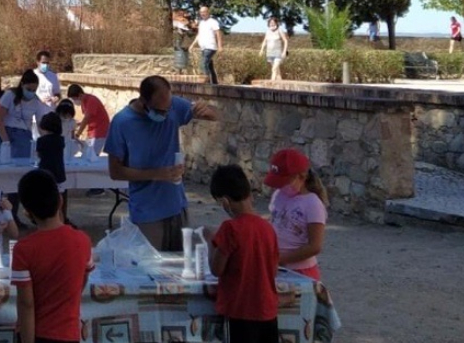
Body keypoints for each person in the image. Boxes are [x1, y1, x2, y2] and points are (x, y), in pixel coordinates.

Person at [105, 75, 219, 252]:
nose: (166, 115)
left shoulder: (174, 106)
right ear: (143, 100)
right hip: (147, 212)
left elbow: (217, 115)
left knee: (181, 268)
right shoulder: (122, 123)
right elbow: (115, 172)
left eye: (168, 109)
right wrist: (156, 174)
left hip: (176, 206)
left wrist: (207, 110)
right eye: (160, 111)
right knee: (150, 270)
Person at [11, 169, 94, 343]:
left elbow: (26, 304)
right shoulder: (83, 241)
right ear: (60, 201)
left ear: (26, 211)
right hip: (69, 332)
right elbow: (82, 281)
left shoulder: (24, 249)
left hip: (37, 333)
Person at [202, 165, 279, 343]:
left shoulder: (230, 229)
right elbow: (273, 269)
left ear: (225, 202)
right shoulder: (267, 228)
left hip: (240, 310)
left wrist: (210, 241)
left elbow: (216, 269)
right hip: (266, 310)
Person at [265, 149, 328, 281]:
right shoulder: (279, 195)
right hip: (277, 267)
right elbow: (276, 219)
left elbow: (315, 246)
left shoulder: (312, 204)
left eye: (284, 182)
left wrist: (280, 259)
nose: (280, 187)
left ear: (302, 176)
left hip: (300, 271)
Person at [0, 70, 40, 160]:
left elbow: (40, 124)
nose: (31, 92)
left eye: (34, 90)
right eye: (29, 89)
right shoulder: (10, 95)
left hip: (23, 135)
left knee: (22, 166)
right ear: (22, 85)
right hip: (5, 131)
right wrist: (5, 140)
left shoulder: (36, 101)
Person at [35, 111, 69, 222]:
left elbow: (39, 154)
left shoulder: (41, 141)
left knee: (46, 201)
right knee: (59, 203)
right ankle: (62, 223)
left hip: (45, 173)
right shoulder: (60, 140)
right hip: (58, 173)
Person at [67, 84, 110, 155]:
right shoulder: (83, 102)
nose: (75, 101)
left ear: (80, 95)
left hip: (99, 131)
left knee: (91, 155)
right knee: (87, 153)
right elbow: (88, 118)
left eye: (74, 98)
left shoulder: (91, 101)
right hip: (92, 130)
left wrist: (78, 134)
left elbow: (86, 118)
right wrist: (77, 124)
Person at [190, 6, 223, 84]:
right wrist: (192, 45)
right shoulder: (201, 23)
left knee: (203, 63)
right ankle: (215, 83)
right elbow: (199, 35)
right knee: (209, 66)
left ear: (208, 12)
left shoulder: (213, 22)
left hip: (210, 47)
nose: (202, 14)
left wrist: (220, 46)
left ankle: (207, 83)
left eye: (204, 12)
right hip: (203, 48)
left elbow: (218, 34)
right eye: (201, 12)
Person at [259, 17, 289, 81]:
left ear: (276, 23)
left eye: (273, 22)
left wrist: (284, 51)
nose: (272, 24)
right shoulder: (267, 32)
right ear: (269, 24)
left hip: (278, 53)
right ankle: (280, 87)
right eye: (270, 22)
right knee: (277, 72)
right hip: (270, 53)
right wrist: (261, 50)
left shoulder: (279, 31)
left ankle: (271, 84)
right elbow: (265, 41)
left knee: (274, 69)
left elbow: (285, 41)